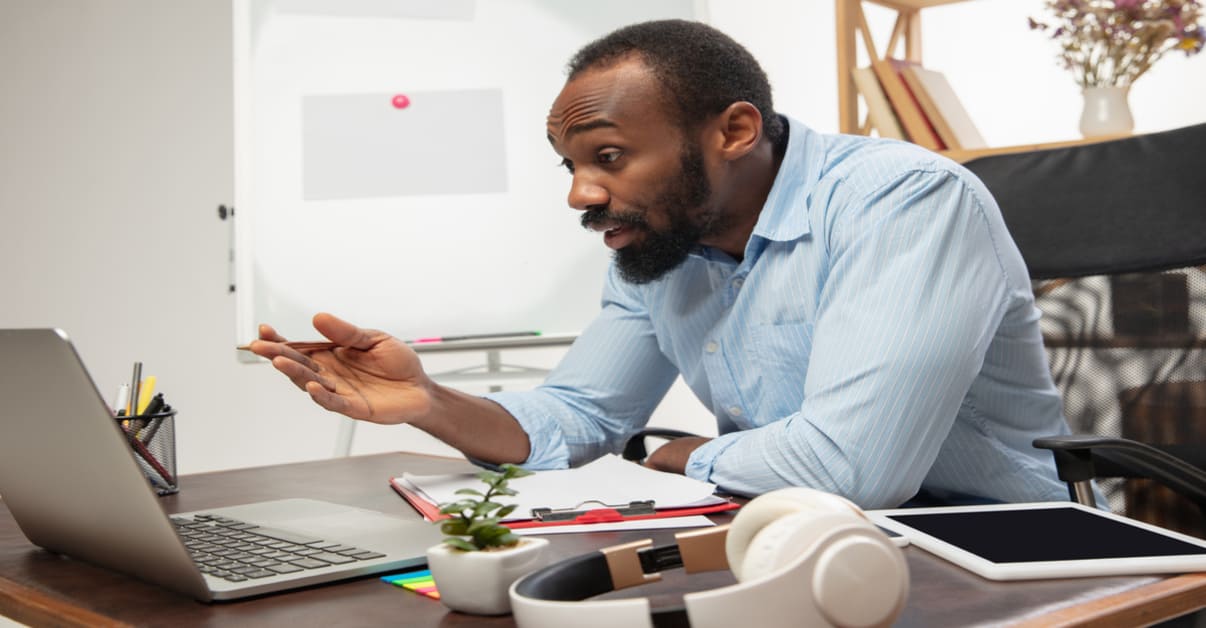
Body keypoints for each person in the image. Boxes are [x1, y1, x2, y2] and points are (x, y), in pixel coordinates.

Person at [250, 19, 1074, 509]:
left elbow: (852, 468)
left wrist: (676, 456)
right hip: (795, 531)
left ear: (735, 131)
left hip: (990, 546)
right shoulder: (662, 247)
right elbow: (579, 416)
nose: (580, 195)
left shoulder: (901, 201)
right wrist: (429, 401)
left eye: (608, 156)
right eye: (570, 165)